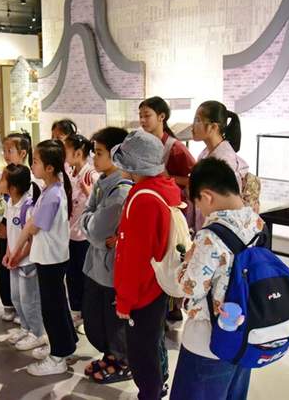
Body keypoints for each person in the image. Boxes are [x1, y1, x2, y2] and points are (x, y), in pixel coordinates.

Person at [170, 157, 264, 400]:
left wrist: (186, 261)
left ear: (207, 196)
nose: (200, 211)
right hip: (245, 333)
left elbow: (188, 288)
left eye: (198, 204)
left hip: (208, 341)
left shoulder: (210, 236)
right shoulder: (257, 223)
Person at [112, 130, 182, 399]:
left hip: (143, 291)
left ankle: (150, 394)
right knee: (150, 345)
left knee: (141, 353)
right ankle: (155, 388)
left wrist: (125, 300)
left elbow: (135, 259)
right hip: (155, 285)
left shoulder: (143, 199)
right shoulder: (161, 189)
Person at [9, 140, 78, 376]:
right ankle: (66, 345)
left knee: (52, 308)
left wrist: (17, 249)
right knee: (57, 305)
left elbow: (34, 226)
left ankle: (58, 356)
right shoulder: (50, 189)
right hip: (51, 258)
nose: (33, 165)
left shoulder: (52, 194)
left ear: (49, 167)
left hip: (51, 260)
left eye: (36, 161)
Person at [80, 127, 133, 384]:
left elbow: (95, 228)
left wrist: (91, 227)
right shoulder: (103, 182)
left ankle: (122, 363)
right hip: (97, 264)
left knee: (112, 323)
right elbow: (88, 221)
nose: (94, 158)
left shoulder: (121, 190)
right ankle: (110, 357)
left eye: (99, 152)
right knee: (97, 319)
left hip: (111, 270)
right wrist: (94, 229)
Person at [139, 96, 195, 329]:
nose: (142, 120)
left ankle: (171, 308)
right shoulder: (142, 143)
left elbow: (194, 179)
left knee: (170, 257)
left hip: (171, 211)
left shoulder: (175, 147)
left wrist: (167, 179)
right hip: (150, 209)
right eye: (140, 116)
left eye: (147, 115)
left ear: (161, 117)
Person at [0, 164, 47, 352]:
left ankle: (38, 333)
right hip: (15, 260)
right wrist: (8, 253)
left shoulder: (28, 207)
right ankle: (26, 328)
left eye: (3, 179)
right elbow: (12, 233)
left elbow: (32, 240)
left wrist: (19, 256)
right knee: (16, 298)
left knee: (30, 301)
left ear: (13, 187)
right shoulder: (9, 202)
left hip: (27, 263)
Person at [191, 100, 250, 231]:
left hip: (219, 229)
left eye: (197, 120)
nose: (192, 125)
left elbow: (223, 202)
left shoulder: (224, 160)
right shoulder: (205, 153)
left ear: (213, 127)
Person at [0, 132, 35, 323]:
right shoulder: (2, 175)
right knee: (4, 266)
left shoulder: (30, 181)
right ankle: (9, 304)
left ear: (23, 153)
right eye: (3, 150)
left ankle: (27, 316)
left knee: (23, 273)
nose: (5, 155)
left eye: (9, 150)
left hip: (23, 234)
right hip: (6, 230)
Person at [64, 133, 99, 328]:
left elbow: (100, 204)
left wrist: (88, 192)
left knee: (84, 277)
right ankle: (75, 311)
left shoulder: (91, 175)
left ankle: (87, 315)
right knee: (72, 275)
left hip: (84, 236)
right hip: (70, 233)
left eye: (66, 150)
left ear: (78, 153)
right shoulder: (70, 172)